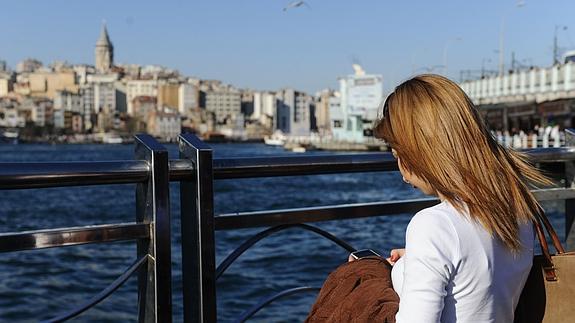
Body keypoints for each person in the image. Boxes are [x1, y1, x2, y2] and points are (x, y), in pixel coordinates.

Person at [368, 74, 550, 322]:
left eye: (397, 152)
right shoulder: (516, 209)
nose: (400, 168)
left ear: (419, 151)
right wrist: (419, 255)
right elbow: (477, 273)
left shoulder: (433, 226)